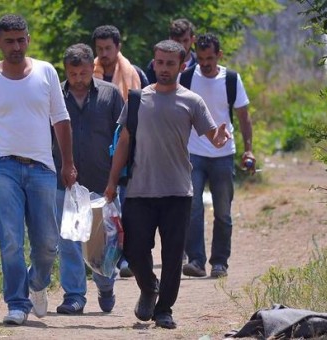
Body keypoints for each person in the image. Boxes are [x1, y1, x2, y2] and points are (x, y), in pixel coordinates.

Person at [103, 39, 230, 329]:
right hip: (138, 189)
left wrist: (220, 139)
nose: (163, 68)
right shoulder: (137, 99)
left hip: (177, 190)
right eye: (159, 62)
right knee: (134, 250)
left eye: (170, 63)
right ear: (153, 62)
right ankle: (149, 287)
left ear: (182, 65)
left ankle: (164, 310)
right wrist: (112, 181)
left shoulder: (191, 101)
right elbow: (123, 141)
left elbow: (212, 135)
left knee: (172, 255)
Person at [0, 14, 77, 326]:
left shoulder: (46, 72)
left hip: (42, 167)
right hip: (3, 167)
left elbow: (61, 118)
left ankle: (37, 283)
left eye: (21, 39)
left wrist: (68, 163)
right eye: (9, 40)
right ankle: (16, 302)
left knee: (47, 243)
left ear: (28, 39)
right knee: (11, 239)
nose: (16, 46)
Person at [53, 43, 124, 315]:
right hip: (66, 183)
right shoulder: (55, 96)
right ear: (66, 71)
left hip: (101, 182)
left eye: (83, 73)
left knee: (101, 244)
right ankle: (74, 296)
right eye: (73, 74)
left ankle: (106, 285)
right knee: (69, 240)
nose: (79, 79)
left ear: (91, 69)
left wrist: (117, 178)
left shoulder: (110, 94)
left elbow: (123, 138)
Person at [181, 33, 254, 279]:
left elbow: (244, 115)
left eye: (210, 58)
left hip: (223, 153)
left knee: (223, 211)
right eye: (201, 59)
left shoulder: (231, 79)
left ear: (219, 55)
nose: (205, 63)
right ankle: (196, 260)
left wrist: (249, 148)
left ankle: (220, 262)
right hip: (194, 152)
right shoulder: (188, 77)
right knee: (192, 207)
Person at [91, 24, 145, 277]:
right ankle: (99, 258)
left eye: (108, 48)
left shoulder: (135, 75)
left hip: (127, 152)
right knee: (100, 210)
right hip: (96, 153)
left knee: (126, 207)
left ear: (118, 47)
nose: (104, 53)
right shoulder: (87, 75)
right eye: (99, 49)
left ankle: (126, 260)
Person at [145, 18, 198, 84]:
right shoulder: (157, 64)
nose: (182, 45)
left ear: (193, 39)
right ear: (170, 39)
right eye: (177, 41)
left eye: (185, 40)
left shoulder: (199, 64)